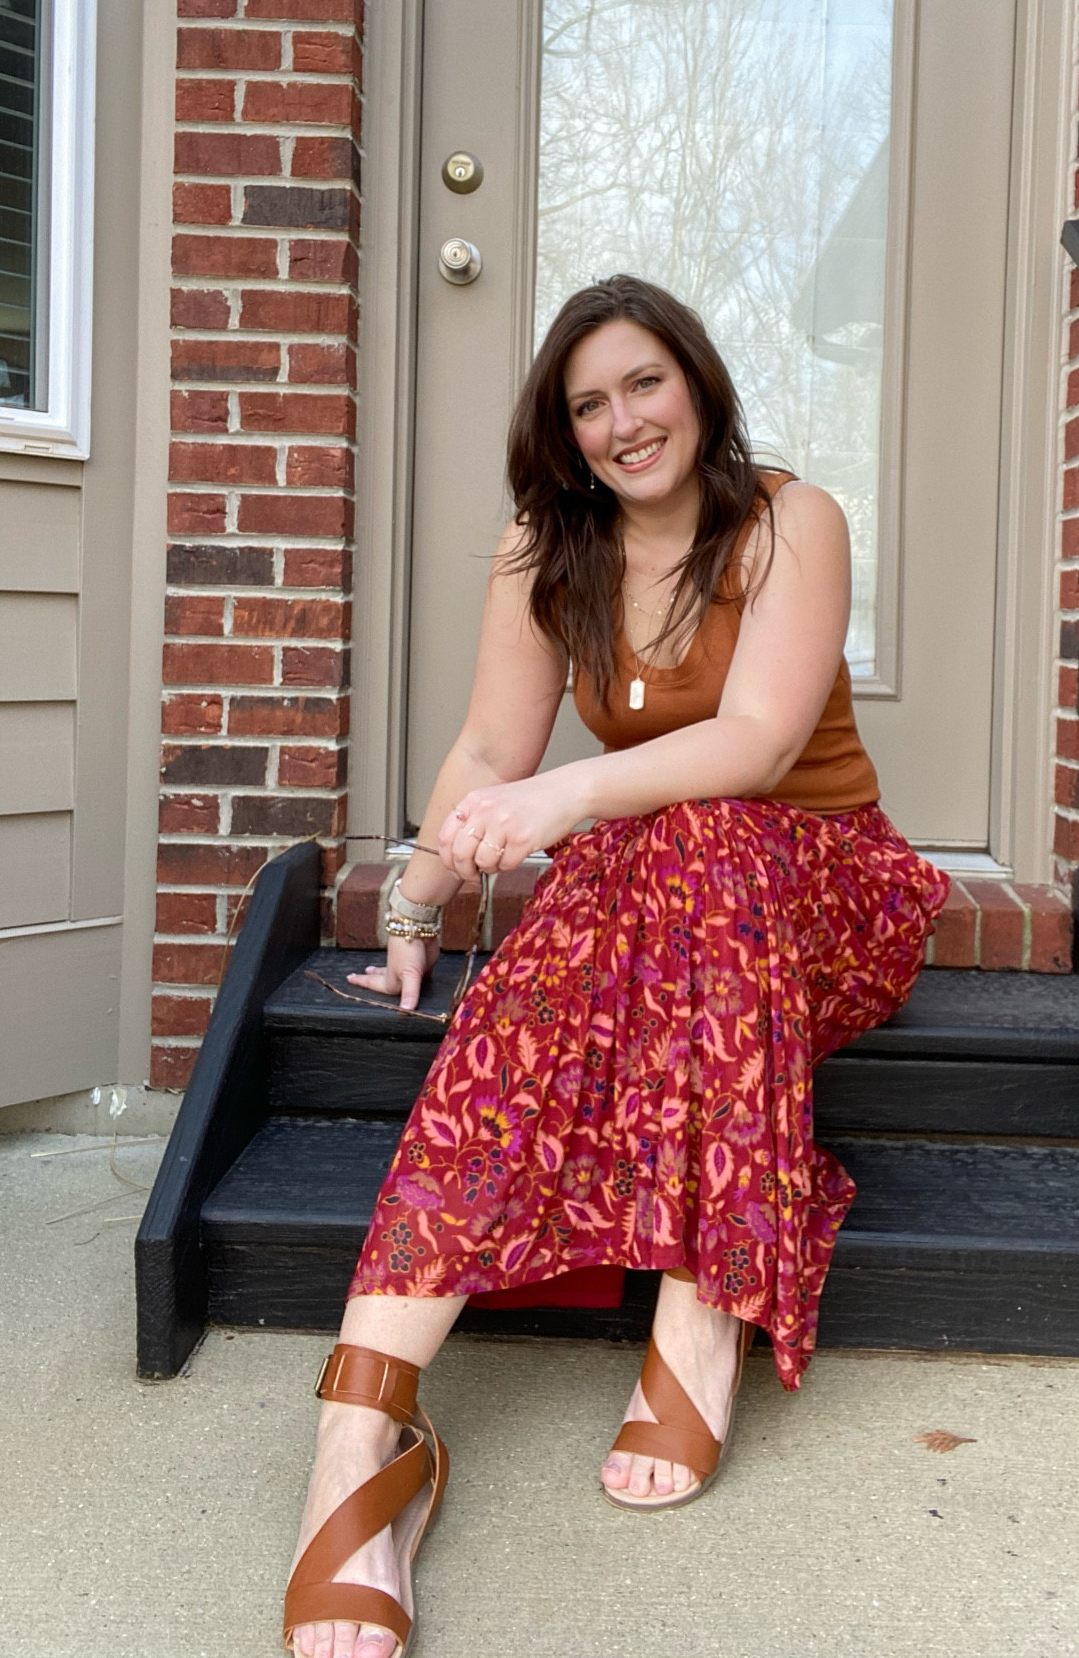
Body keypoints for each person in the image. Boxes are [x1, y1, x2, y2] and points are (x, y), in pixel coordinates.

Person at [283, 276, 950, 1658]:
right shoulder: (549, 549)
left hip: (827, 893)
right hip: (662, 902)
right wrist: (416, 901)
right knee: (602, 905)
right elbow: (488, 752)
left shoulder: (789, 521)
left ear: (695, 382)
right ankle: (359, 1437)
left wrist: (567, 802)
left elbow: (759, 742)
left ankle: (699, 1319)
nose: (620, 421)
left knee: (689, 833)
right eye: (587, 404)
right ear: (563, 430)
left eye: (642, 383)